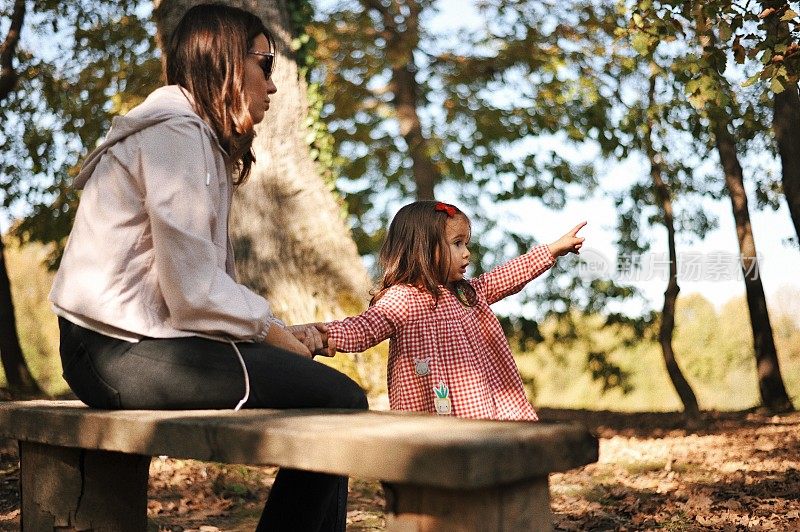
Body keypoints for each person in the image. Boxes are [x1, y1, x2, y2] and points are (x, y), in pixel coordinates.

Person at [48, 4, 366, 531]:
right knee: (341, 399)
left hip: (119, 346)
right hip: (117, 352)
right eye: (265, 64)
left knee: (331, 396)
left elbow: (195, 289)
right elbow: (193, 292)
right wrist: (272, 332)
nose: (273, 84)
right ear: (224, 62)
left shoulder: (188, 136)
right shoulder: (175, 136)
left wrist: (274, 333)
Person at [325, 200, 585, 421]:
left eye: (466, 243)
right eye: (457, 243)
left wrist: (552, 250)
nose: (467, 253)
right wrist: (322, 336)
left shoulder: (469, 293)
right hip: (433, 416)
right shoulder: (403, 299)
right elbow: (364, 327)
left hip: (483, 410)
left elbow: (510, 274)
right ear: (423, 249)